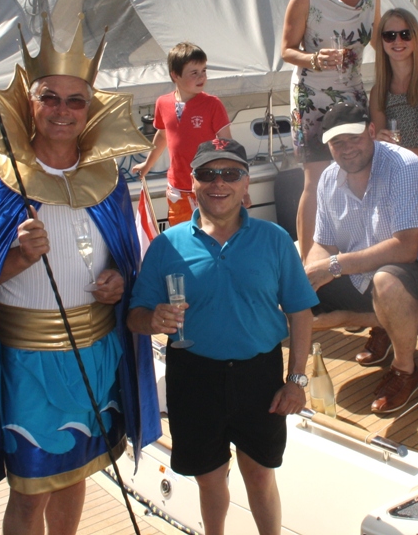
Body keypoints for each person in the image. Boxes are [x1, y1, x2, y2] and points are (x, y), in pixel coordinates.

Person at [0, 13, 160, 534]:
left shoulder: (107, 177)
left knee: (77, 473)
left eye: (75, 100)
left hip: (96, 349)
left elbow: (122, 256)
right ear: (29, 103)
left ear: (90, 108)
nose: (62, 110)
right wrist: (17, 258)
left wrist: (119, 281)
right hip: (27, 360)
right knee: (30, 489)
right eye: (50, 97)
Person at [128, 138, 316, 535]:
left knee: (260, 474)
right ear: (192, 182)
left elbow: (301, 312)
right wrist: (153, 319)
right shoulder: (165, 245)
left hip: (259, 375)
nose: (219, 182)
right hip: (193, 375)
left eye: (230, 173)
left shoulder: (275, 239)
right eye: (208, 173)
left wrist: (296, 380)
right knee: (209, 479)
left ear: (246, 183)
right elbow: (135, 317)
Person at [304, 102, 418, 414]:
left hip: (416, 271)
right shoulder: (328, 179)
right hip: (361, 272)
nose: (347, 148)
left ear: (372, 131)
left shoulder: (404, 167)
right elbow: (323, 243)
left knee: (386, 282)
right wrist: (309, 274)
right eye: (338, 142)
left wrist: (333, 266)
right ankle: (387, 324)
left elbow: (406, 248)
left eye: (355, 138)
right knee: (293, 301)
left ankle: (405, 369)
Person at [281, 0, 381, 260]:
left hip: (352, 93)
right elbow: (286, 50)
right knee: (316, 178)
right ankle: (306, 263)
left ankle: (358, 250)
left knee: (359, 172)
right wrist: (314, 58)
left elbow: (379, 41)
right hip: (312, 96)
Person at [130, 42, 231, 226]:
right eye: (194, 73)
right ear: (175, 75)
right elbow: (162, 136)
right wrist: (147, 164)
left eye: (204, 70)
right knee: (182, 235)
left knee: (212, 233)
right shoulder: (162, 103)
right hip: (177, 188)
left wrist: (234, 184)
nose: (202, 77)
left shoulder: (213, 104)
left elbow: (227, 145)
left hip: (207, 186)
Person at [369, 8, 418, 169]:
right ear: (381, 41)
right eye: (390, 36)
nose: (398, 41)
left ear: (416, 37)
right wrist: (379, 140)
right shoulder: (378, 92)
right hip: (403, 174)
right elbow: (379, 148)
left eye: (405, 34)